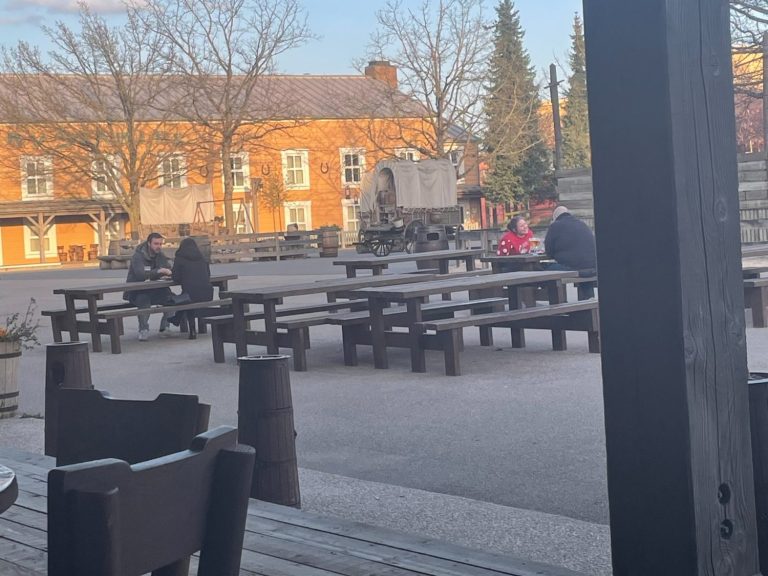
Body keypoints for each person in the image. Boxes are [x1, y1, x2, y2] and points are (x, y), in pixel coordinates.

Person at [124, 232, 172, 341]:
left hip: (156, 289)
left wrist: (169, 271)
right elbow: (140, 275)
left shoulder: (160, 255)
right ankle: (143, 329)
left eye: (160, 244)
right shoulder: (138, 256)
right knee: (144, 300)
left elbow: (168, 267)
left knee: (172, 299)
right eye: (156, 244)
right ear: (149, 243)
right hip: (137, 290)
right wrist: (159, 271)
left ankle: (165, 327)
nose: (158, 246)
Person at [544, 206, 597, 298]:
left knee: (547, 269)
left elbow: (549, 252)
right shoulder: (581, 223)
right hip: (592, 268)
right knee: (582, 265)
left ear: (555, 217)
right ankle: (587, 302)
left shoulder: (555, 226)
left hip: (575, 269)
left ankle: (557, 301)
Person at [170, 238, 213, 339]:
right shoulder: (202, 258)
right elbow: (208, 274)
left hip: (190, 295)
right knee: (188, 297)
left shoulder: (180, 258)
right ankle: (177, 319)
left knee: (185, 299)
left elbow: (176, 278)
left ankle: (191, 330)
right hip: (208, 294)